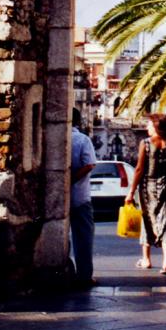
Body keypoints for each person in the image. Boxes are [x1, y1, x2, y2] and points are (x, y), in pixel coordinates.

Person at [125, 113, 166, 275]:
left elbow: (139, 169)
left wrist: (131, 191)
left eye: (149, 125)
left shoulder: (146, 143)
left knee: (147, 221)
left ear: (156, 127)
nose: (146, 127)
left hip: (148, 187)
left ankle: (146, 260)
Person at [70, 107, 97, 289]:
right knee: (83, 236)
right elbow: (89, 164)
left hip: (57, 197)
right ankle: (84, 275)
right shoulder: (82, 139)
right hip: (80, 195)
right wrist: (72, 179)